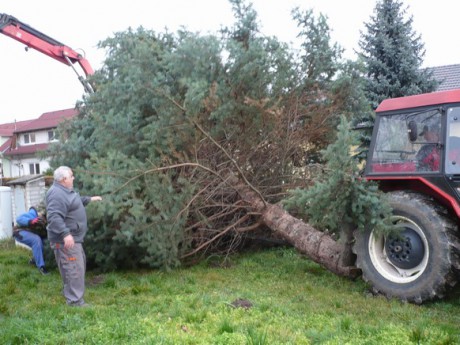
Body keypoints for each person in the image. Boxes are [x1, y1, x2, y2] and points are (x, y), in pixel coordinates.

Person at [45, 166, 102, 307]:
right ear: (64, 179)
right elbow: (53, 217)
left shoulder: (64, 191)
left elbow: (73, 202)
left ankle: (72, 296)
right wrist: (65, 234)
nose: (73, 178)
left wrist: (89, 199)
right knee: (73, 269)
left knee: (76, 267)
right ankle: (75, 302)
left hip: (73, 239)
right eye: (71, 176)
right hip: (66, 241)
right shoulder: (56, 194)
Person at [13, 206, 49, 275]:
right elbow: (19, 219)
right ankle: (41, 267)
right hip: (20, 232)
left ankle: (34, 260)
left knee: (45, 242)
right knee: (36, 240)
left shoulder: (49, 220)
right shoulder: (33, 214)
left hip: (31, 233)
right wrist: (31, 221)